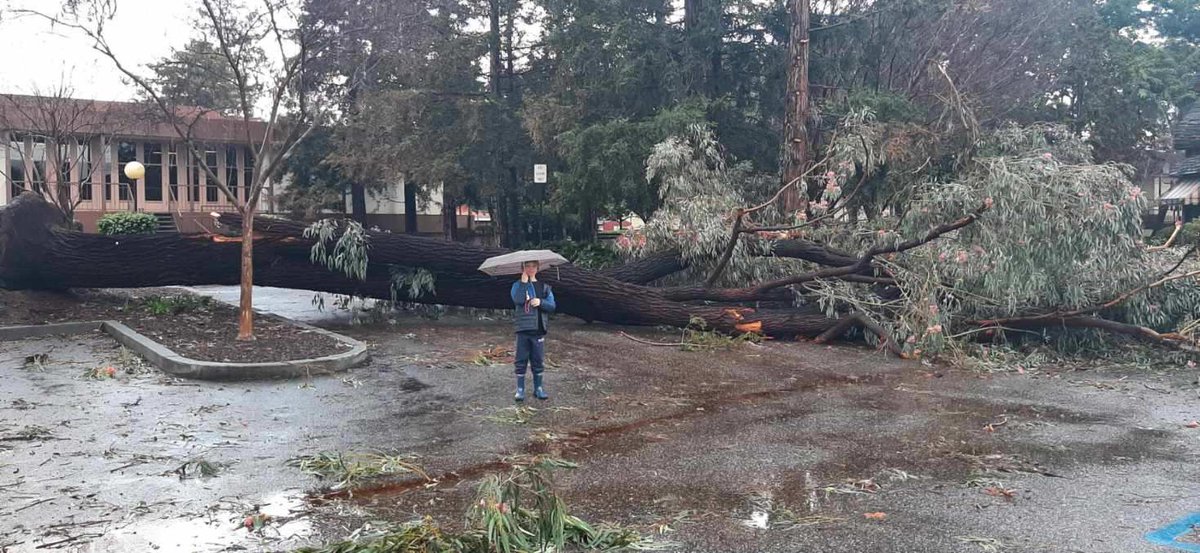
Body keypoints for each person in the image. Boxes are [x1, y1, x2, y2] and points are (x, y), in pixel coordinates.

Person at [510, 260, 556, 401]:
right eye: (527, 266)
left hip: (538, 329)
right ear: (522, 268)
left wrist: (540, 302)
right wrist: (524, 283)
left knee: (538, 360)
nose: (530, 269)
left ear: (537, 268)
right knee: (520, 359)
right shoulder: (517, 285)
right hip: (523, 329)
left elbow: (552, 306)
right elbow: (517, 300)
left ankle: (538, 388)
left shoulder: (544, 287)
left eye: (533, 266)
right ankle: (520, 389)